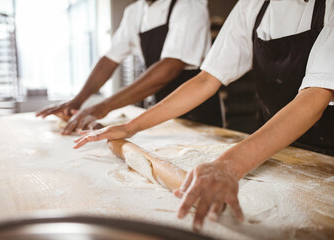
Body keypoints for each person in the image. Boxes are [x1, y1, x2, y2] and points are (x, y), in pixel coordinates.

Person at [73, 0, 334, 232]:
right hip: (274, 148)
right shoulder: (252, 6)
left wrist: (229, 165)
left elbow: (314, 96)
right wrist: (130, 128)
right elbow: (207, 79)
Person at [36, 0, 223, 134]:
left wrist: (104, 106)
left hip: (197, 113)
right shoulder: (135, 11)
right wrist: (78, 101)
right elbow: (109, 59)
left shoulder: (189, 6)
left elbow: (170, 67)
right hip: (162, 111)